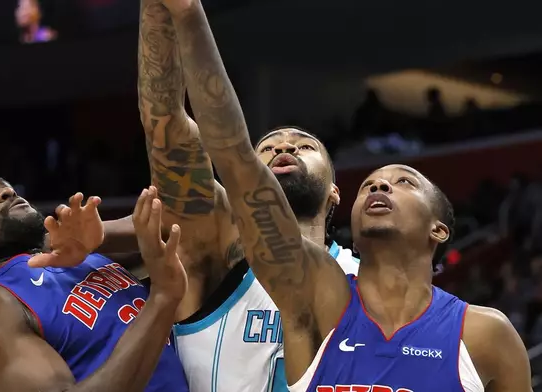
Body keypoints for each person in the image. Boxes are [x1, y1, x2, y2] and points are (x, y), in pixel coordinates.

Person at [157, 0, 532, 390]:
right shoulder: (318, 297)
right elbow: (236, 160)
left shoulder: (486, 335)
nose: (380, 185)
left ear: (439, 230)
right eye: (368, 185)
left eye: (404, 181)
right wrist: (188, 15)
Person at [132, 1, 358, 390]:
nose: (285, 148)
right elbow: (166, 125)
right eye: (267, 149)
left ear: (335, 192)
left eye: (305, 147)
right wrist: (159, 8)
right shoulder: (219, 250)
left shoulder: (366, 278)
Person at [0, 173, 189, 392]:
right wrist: (162, 298)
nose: (6, 191)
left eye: (1, 184)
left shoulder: (67, 251)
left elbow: (187, 226)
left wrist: (105, 237)